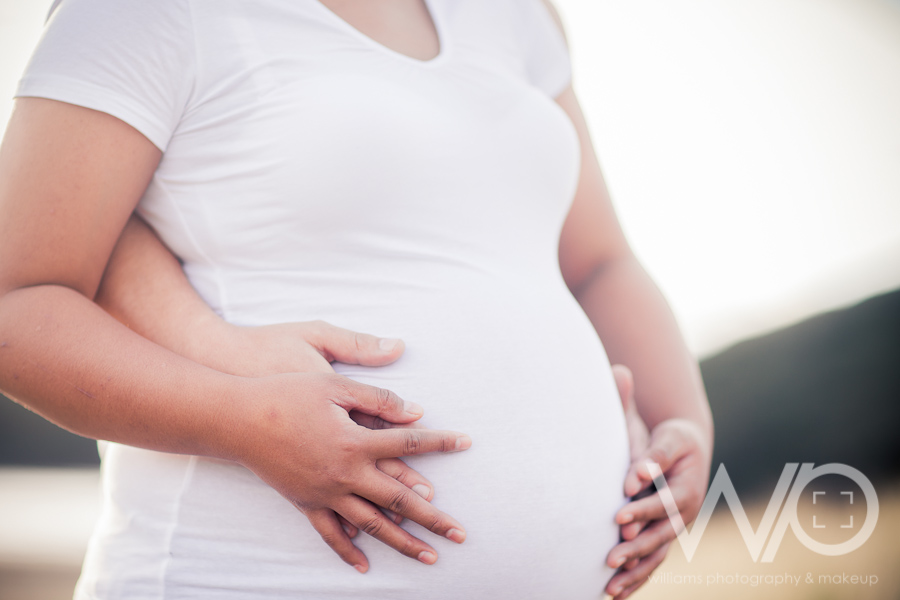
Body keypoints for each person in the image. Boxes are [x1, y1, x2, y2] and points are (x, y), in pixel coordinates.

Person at [0, 0, 713, 598]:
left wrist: (682, 418)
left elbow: (600, 263)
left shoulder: (517, 13)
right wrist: (243, 422)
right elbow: (20, 302)